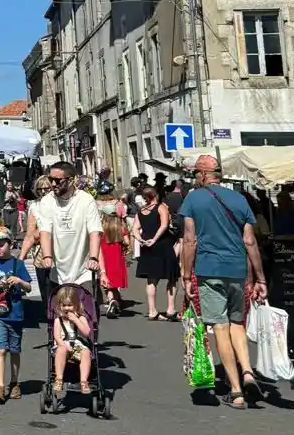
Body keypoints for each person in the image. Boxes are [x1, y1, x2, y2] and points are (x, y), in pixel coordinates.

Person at [180, 153, 268, 409]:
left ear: (203, 174)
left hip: (209, 269)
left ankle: (236, 390)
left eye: (196, 173)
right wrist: (260, 277)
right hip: (238, 270)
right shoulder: (239, 199)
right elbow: (250, 241)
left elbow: (189, 239)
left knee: (219, 326)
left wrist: (186, 274)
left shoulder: (193, 199)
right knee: (236, 323)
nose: (195, 178)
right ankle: (248, 372)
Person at [35, 161, 103, 329]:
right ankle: (61, 345)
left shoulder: (85, 200)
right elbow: (45, 232)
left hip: (83, 269)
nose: (52, 184)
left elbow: (94, 231)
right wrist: (47, 256)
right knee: (58, 315)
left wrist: (93, 257)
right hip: (58, 270)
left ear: (71, 180)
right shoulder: (47, 202)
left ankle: (88, 342)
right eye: (51, 179)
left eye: (58, 180)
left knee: (88, 311)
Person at [0, 235, 31, 402]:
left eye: (1, 245)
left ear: (10, 245)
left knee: (15, 350)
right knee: (1, 349)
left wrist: (18, 280)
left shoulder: (18, 264)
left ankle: (14, 382)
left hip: (16, 314)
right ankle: (0, 386)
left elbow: (29, 286)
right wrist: (0, 285)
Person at [133, 186, 179, 320]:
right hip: (162, 245)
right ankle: (170, 309)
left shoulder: (141, 211)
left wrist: (141, 239)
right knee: (171, 277)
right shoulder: (161, 207)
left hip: (146, 246)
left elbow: (135, 229)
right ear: (155, 195)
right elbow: (164, 225)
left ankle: (152, 310)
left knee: (151, 279)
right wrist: (155, 239)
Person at [16, 174, 53, 314]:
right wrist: (21, 258)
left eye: (47, 188)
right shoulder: (34, 207)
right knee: (45, 288)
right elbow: (30, 234)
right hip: (41, 254)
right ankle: (50, 318)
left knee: (59, 290)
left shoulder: (61, 203)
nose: (44, 191)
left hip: (61, 252)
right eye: (40, 188)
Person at [51, 284, 94, 397]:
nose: (67, 308)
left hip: (79, 345)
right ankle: (59, 378)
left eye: (70, 305)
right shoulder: (58, 320)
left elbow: (87, 332)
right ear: (59, 306)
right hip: (63, 345)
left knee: (86, 353)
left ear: (76, 305)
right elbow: (57, 336)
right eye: (64, 305)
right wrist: (63, 345)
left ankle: (84, 381)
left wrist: (76, 320)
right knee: (61, 350)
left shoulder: (81, 318)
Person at [99, 212, 129, 315]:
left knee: (107, 284)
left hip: (104, 258)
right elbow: (127, 241)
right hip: (117, 258)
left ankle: (111, 300)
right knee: (115, 283)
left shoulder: (101, 230)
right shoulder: (120, 229)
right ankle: (116, 302)